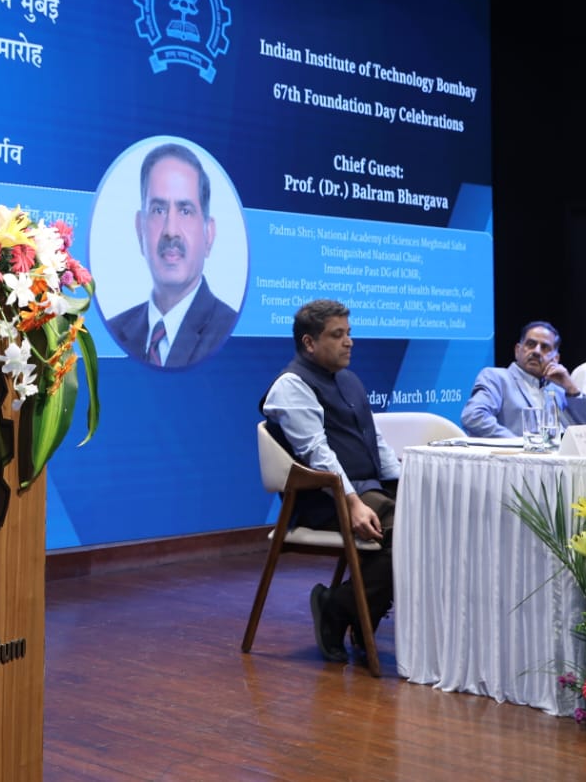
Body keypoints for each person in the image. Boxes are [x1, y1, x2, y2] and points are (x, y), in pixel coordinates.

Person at [259, 299, 399, 664]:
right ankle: (339, 611)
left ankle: (343, 606)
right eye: (338, 335)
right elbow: (317, 454)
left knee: (428, 518)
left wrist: (404, 483)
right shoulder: (291, 386)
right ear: (309, 343)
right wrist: (352, 502)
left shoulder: (348, 379)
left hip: (366, 490)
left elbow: (374, 440)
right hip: (321, 501)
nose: (349, 342)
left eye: (348, 334)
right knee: (404, 532)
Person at [106, 142, 238, 368]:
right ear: (140, 229)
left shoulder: (229, 332)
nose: (171, 230)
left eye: (185, 211)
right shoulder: (115, 330)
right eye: (158, 210)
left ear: (209, 234)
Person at [460, 321, 586, 437]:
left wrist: (572, 390)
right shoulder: (497, 378)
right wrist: (518, 444)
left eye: (545, 347)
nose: (536, 351)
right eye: (531, 344)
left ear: (556, 359)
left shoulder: (560, 391)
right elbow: (473, 416)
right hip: (517, 462)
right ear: (518, 350)